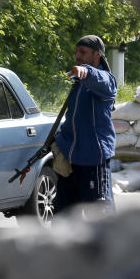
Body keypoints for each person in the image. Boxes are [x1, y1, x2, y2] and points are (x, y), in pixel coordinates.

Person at [52, 35, 118, 215]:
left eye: (83, 52)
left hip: (94, 160)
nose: (77, 56)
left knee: (98, 218)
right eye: (76, 52)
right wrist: (60, 141)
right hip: (71, 160)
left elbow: (100, 78)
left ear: (97, 55)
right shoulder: (78, 83)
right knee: (62, 216)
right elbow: (72, 117)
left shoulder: (107, 81)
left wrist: (87, 71)